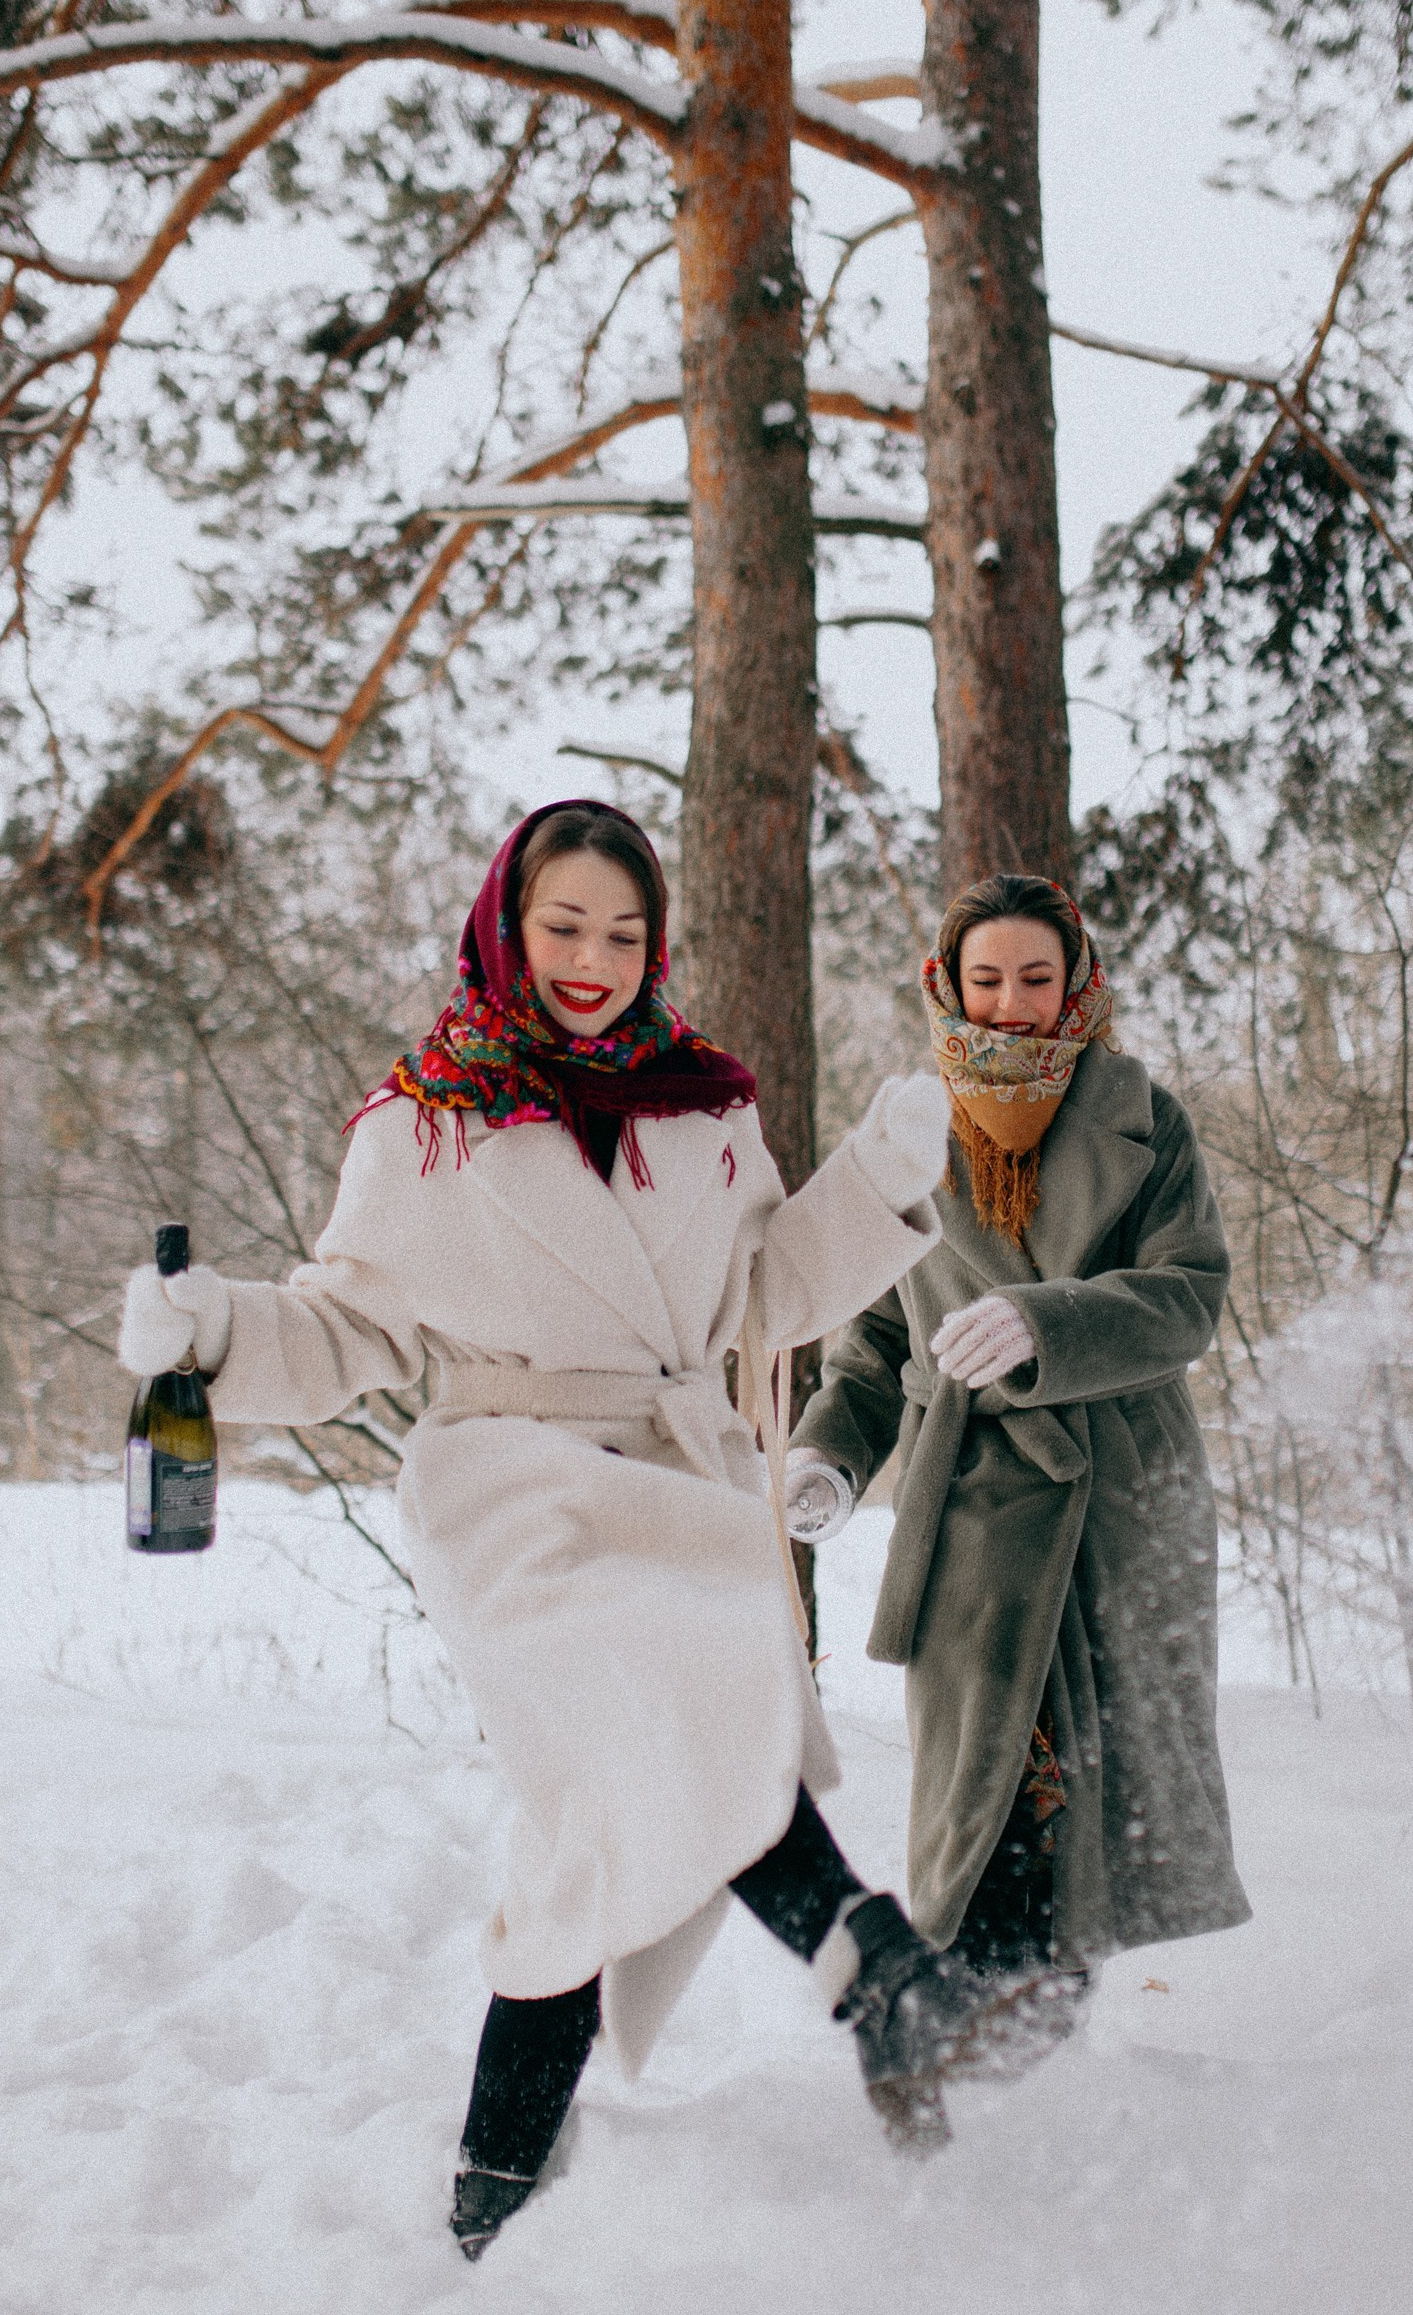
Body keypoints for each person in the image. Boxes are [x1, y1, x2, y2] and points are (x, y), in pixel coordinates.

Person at [117, 804, 1047, 2262]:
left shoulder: (705, 1108)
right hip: (514, 1494)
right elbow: (348, 1329)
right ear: (507, 924)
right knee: (676, 1688)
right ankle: (877, 1971)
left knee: (589, 1828)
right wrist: (213, 1330)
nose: (594, 959)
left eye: (624, 932)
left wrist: (877, 1182)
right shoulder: (423, 1125)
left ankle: (492, 2198)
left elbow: (768, 1298)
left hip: (678, 1473)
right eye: (564, 927)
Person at [784, 873, 1251, 1999]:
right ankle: (969, 2033)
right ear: (945, 983)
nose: (1008, 1003)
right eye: (984, 978)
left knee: (1090, 1803)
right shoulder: (904, 1134)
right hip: (975, 1511)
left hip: (1115, 1502)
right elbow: (873, 1339)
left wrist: (1047, 1325)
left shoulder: (1145, 1117)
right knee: (978, 1790)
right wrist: (827, 1457)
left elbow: (1188, 1294)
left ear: (1075, 986)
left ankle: (1045, 2053)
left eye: (1034, 978)